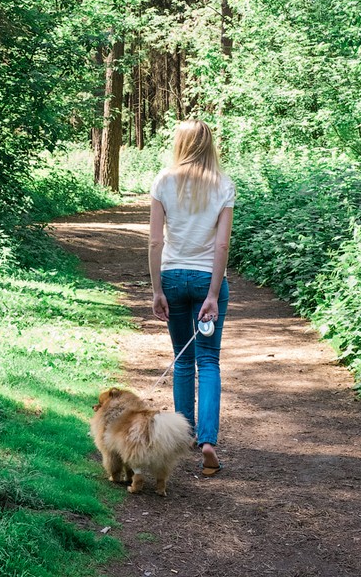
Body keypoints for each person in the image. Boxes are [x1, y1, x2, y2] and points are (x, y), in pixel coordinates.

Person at [148, 120, 235, 476]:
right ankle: (208, 442)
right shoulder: (223, 185)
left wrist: (156, 289)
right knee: (208, 362)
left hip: (172, 277)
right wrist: (213, 294)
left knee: (182, 361)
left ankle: (183, 437)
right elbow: (222, 244)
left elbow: (155, 241)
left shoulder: (163, 181)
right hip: (206, 281)